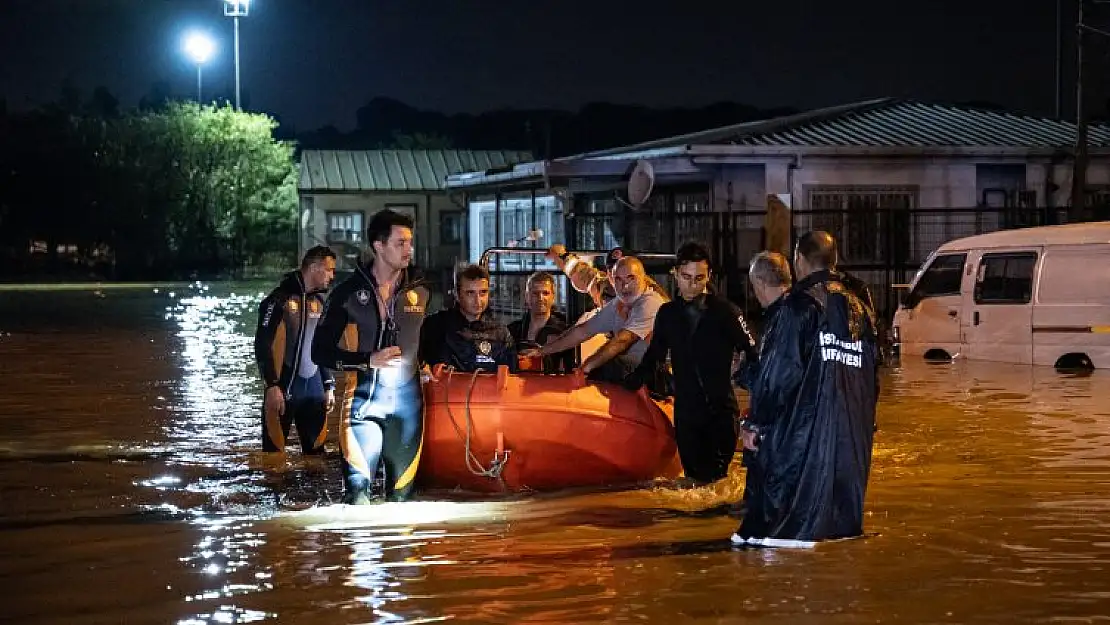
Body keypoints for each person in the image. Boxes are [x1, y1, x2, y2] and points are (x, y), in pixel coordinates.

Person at [732, 231, 880, 549]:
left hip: (799, 454)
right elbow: (872, 383)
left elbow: (777, 378)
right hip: (851, 454)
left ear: (799, 261)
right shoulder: (862, 311)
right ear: (835, 261)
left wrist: (753, 425)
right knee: (838, 548)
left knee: (769, 544)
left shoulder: (797, 308)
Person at [311, 209, 431, 504]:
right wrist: (367, 360)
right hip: (362, 408)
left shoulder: (422, 291)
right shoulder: (346, 294)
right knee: (358, 499)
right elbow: (319, 352)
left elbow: (425, 340)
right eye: (400, 243)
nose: (409, 250)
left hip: (409, 412)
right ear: (378, 246)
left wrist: (430, 363)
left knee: (402, 504)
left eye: (410, 242)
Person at [624, 242, 758, 484]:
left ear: (709, 276)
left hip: (720, 414)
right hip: (686, 415)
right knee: (694, 485)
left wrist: (749, 383)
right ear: (675, 273)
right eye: (686, 277)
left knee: (715, 486)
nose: (693, 285)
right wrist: (628, 384)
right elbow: (653, 357)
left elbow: (754, 352)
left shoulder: (726, 312)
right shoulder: (667, 314)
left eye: (700, 278)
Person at [522, 255, 666, 383]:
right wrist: (542, 351)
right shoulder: (616, 301)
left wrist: (587, 367)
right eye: (618, 279)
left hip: (653, 371)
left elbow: (623, 340)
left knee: (606, 366)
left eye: (631, 278)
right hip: (630, 367)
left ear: (643, 277)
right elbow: (583, 331)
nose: (625, 285)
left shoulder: (650, 302)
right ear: (610, 278)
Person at [254, 245, 338, 455]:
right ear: (315, 267)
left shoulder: (320, 302)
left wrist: (328, 385)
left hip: (315, 392)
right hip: (283, 390)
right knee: (273, 465)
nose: (332, 276)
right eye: (329, 270)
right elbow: (262, 344)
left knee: (317, 464)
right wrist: (272, 385)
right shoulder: (278, 300)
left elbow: (323, 347)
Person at [419, 264, 517, 373]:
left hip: (489, 389)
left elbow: (511, 377)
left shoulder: (500, 334)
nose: (478, 300)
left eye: (483, 292)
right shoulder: (435, 326)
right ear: (457, 294)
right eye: (470, 293)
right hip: (447, 389)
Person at [507, 271, 575, 373]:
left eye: (545, 293)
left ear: (553, 297)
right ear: (527, 296)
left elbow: (570, 371)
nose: (540, 298)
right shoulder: (511, 331)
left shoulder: (564, 333)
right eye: (535, 293)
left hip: (551, 386)